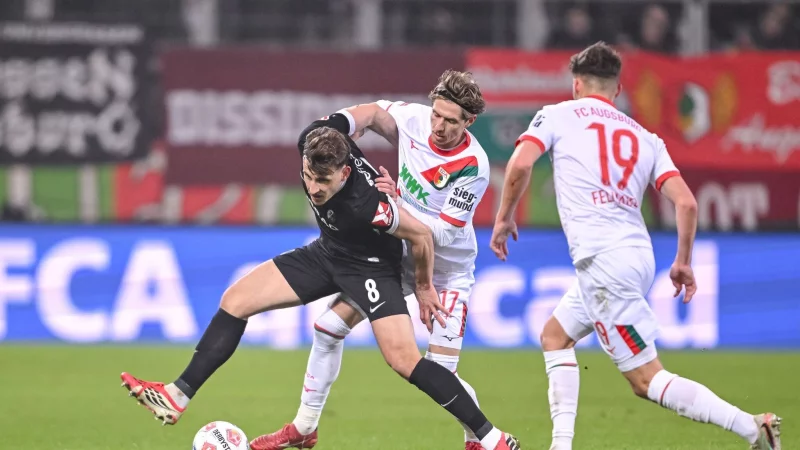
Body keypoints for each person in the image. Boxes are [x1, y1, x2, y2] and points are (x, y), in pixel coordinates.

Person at [121, 112, 521, 450]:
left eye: (323, 182)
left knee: (403, 360)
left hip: (370, 269)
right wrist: (358, 118)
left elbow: (420, 237)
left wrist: (423, 286)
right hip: (326, 254)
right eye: (308, 177)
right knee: (236, 299)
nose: (313, 188)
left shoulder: (370, 205)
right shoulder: (313, 139)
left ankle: (492, 439)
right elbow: (362, 115)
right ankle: (177, 395)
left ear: (345, 173)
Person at [489, 41, 782, 450]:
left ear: (576, 85)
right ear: (618, 90)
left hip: (603, 262)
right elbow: (687, 203)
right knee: (555, 336)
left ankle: (752, 428)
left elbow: (521, 163)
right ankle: (561, 445)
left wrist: (504, 217)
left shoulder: (557, 114)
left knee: (646, 380)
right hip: (636, 256)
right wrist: (683, 262)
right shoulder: (646, 137)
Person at [249, 70, 492, 450]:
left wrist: (397, 203)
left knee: (439, 372)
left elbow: (442, 235)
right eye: (436, 114)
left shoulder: (474, 165)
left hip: (446, 271)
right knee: (327, 328)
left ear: (469, 122)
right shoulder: (413, 119)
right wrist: (337, 126)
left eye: (450, 121)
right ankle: (304, 427)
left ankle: (481, 438)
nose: (439, 126)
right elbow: (374, 113)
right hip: (399, 257)